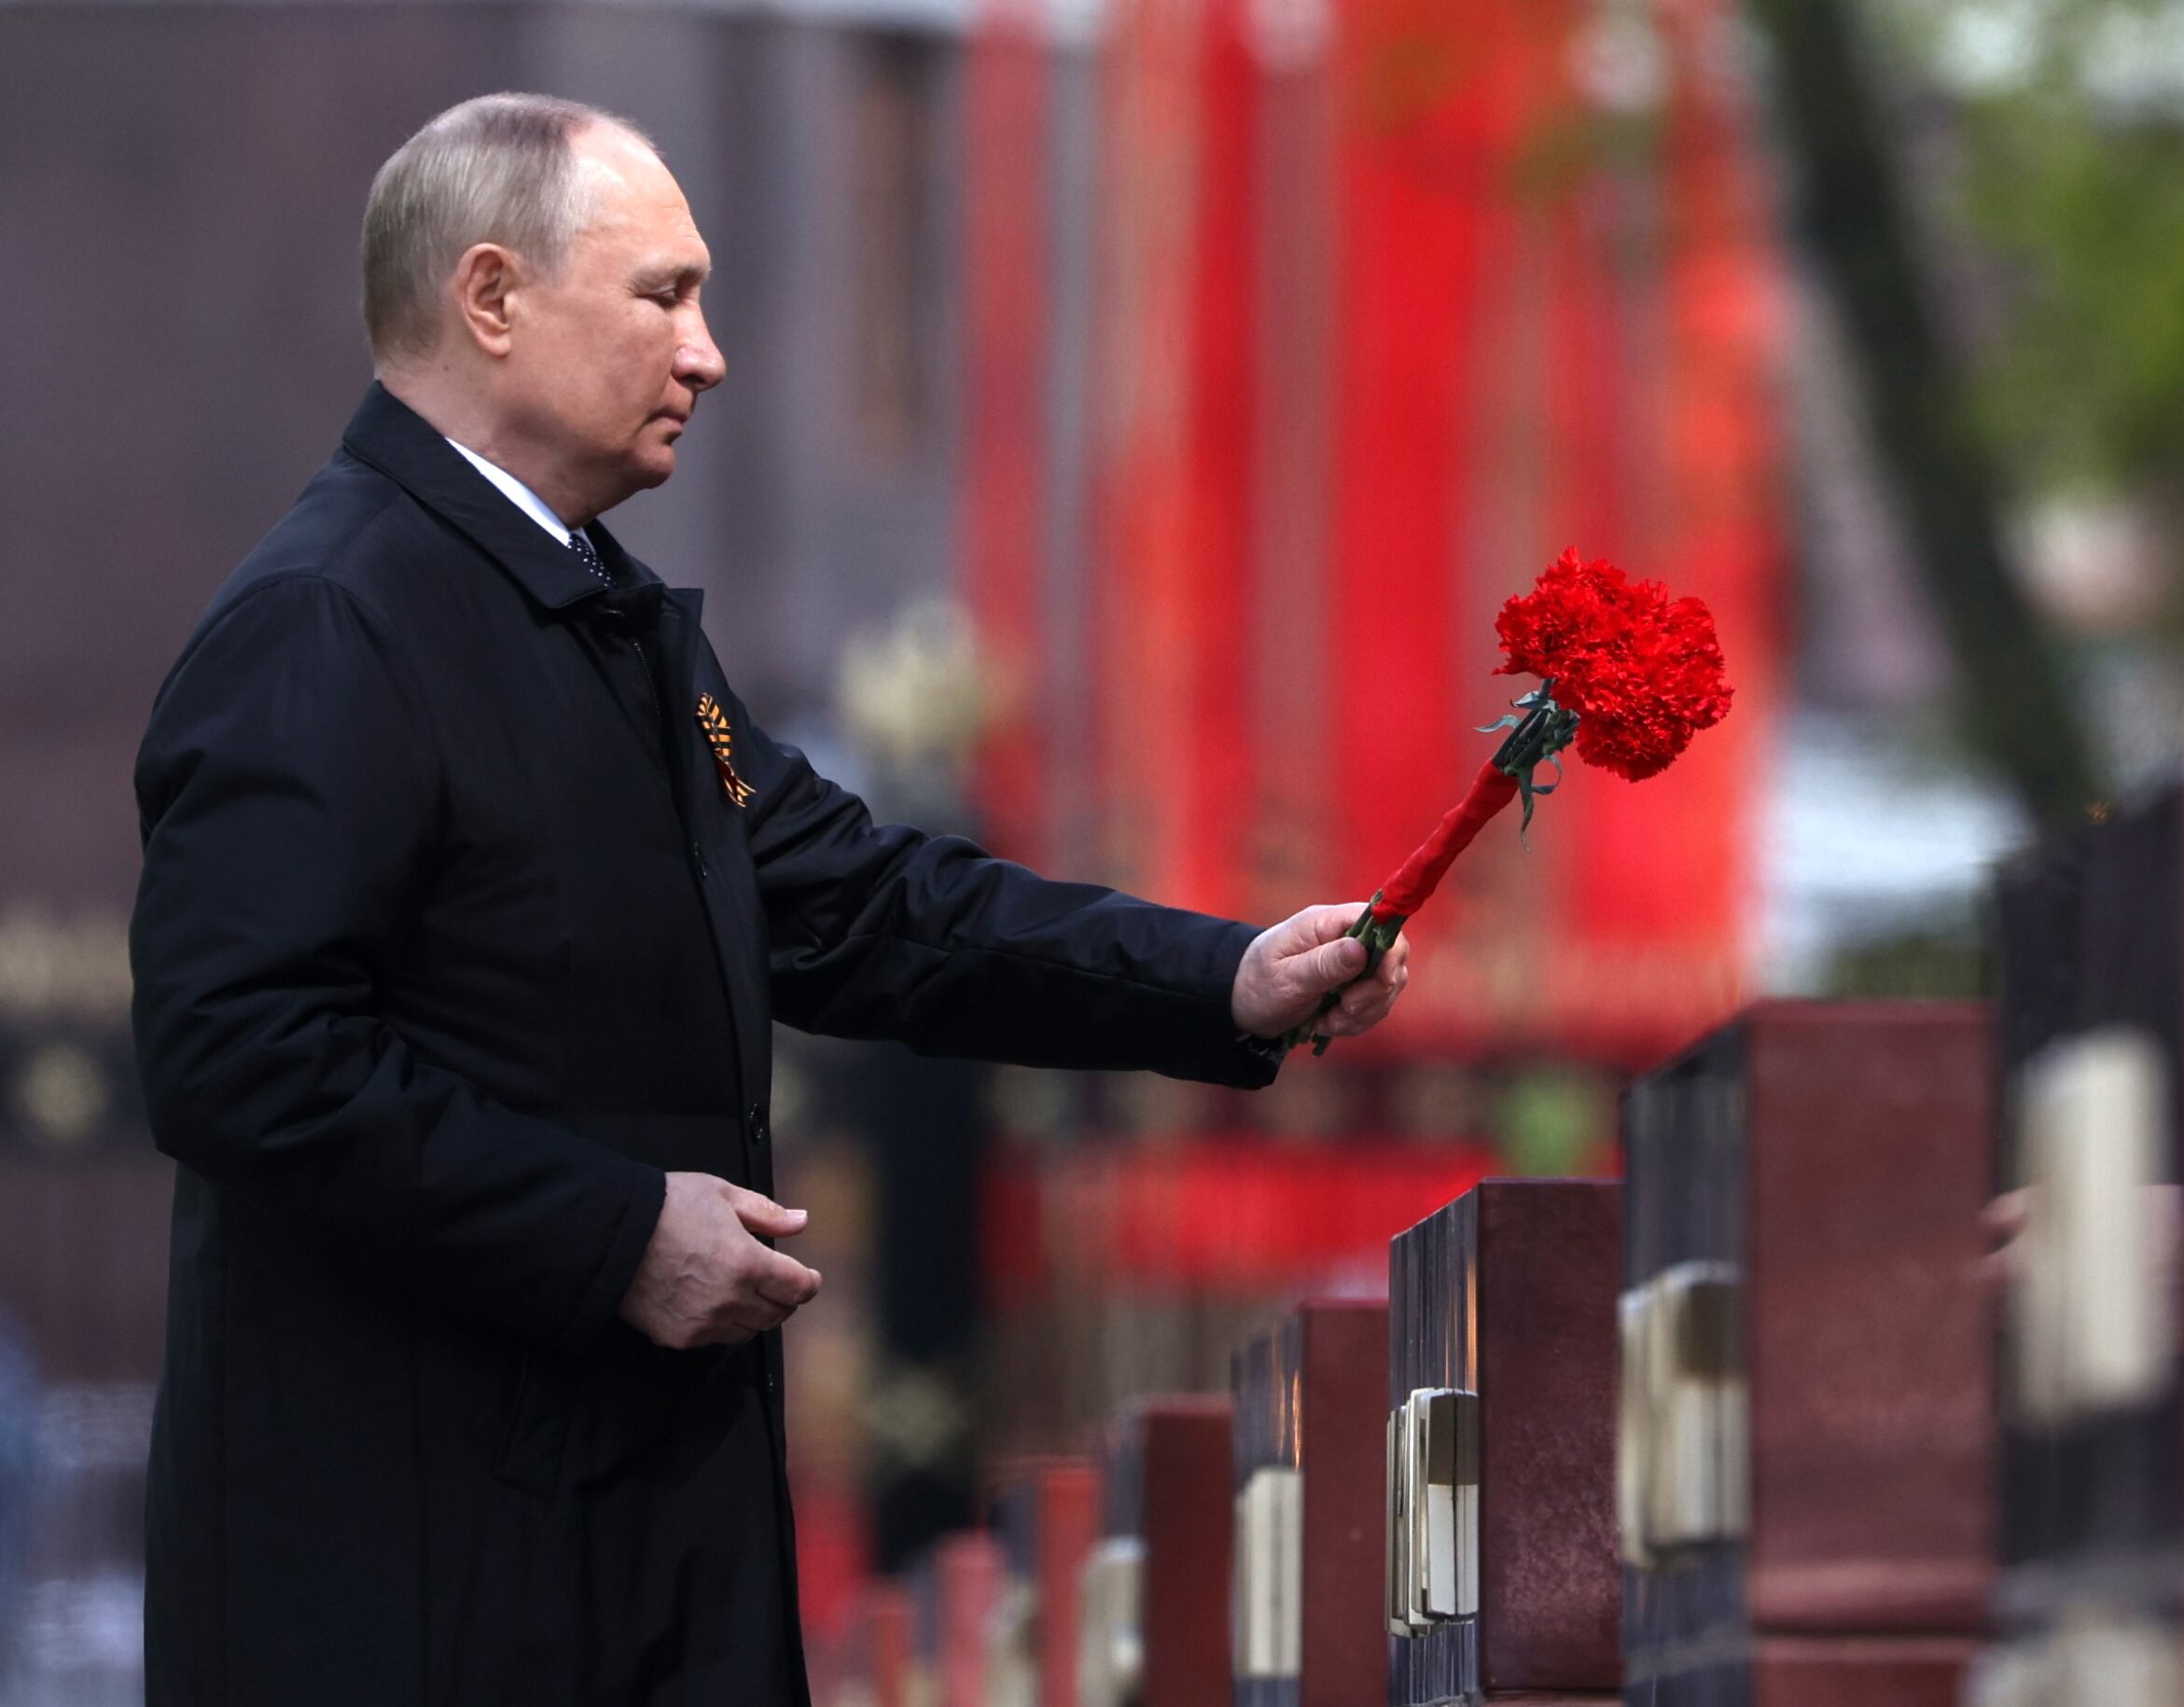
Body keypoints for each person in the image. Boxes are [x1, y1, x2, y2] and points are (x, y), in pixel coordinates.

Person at [129, 92, 1407, 1706]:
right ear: (493, 298)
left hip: (622, 1543)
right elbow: (237, 1056)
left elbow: (864, 907)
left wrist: (1216, 978)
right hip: (421, 1585)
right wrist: (610, 1232)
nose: (710, 351)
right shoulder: (326, 620)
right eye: (661, 293)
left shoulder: (599, 619)